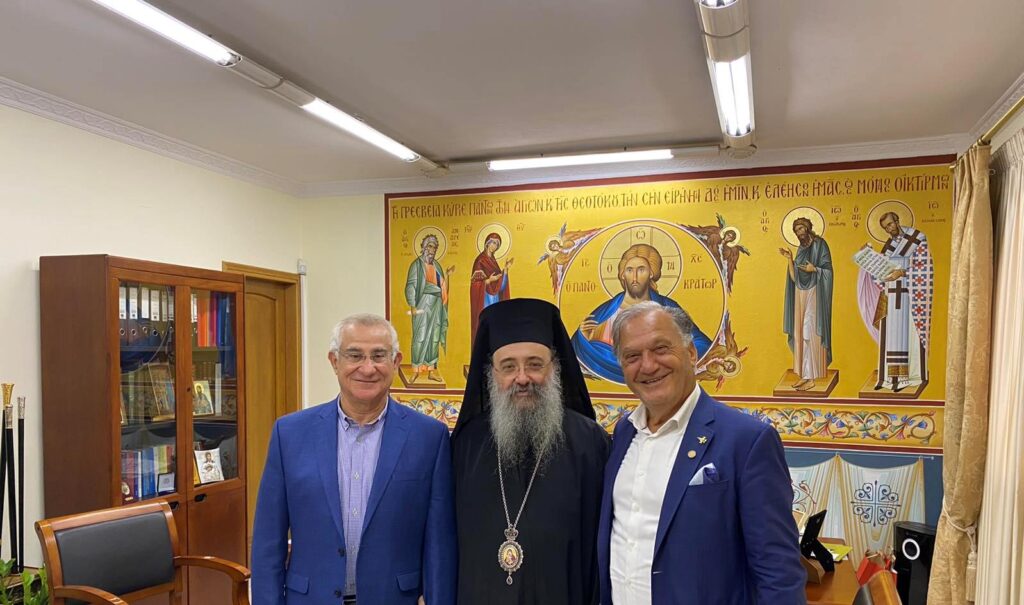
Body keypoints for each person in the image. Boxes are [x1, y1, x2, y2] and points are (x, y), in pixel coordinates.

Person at [599, 302, 806, 604]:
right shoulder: (623, 433)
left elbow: (778, 572)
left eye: (660, 349)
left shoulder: (747, 441)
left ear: (691, 353)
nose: (648, 365)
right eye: (632, 356)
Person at [251, 314, 456, 605]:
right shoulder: (290, 434)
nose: (368, 368)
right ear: (334, 361)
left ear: (396, 362)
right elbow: (267, 542)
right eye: (355, 355)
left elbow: (439, 544)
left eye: (379, 356)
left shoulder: (429, 437)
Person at [453, 298, 610, 604]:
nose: (522, 378)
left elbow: (602, 549)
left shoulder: (591, 443)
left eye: (535, 364)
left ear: (555, 368)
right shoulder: (466, 445)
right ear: (492, 373)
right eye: (508, 366)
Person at [571, 243, 712, 383]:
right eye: (629, 270)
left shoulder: (667, 307)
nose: (635, 277)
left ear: (651, 273)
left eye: (641, 270)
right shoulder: (605, 311)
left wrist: (667, 354)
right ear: (622, 275)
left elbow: (701, 344)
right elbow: (574, 351)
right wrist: (581, 339)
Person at [857, 212, 933, 392]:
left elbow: (925, 267)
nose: (889, 229)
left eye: (891, 224)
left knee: (906, 335)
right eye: (886, 228)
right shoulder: (889, 246)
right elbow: (881, 272)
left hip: (910, 296)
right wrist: (867, 256)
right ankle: (889, 378)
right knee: (890, 337)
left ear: (897, 221)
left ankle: (907, 377)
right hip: (890, 296)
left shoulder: (917, 238)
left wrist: (903, 272)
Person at [780, 217, 834, 391]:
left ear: (808, 228)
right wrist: (790, 259)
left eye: (801, 229)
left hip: (815, 294)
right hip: (800, 294)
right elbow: (795, 277)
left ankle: (812, 377)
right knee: (800, 334)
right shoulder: (801, 249)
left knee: (809, 332)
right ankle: (804, 375)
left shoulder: (820, 245)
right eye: (796, 231)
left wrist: (815, 269)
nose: (799, 233)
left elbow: (828, 271)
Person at [405, 234, 455, 382]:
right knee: (420, 336)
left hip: (437, 305)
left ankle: (431, 370)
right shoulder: (416, 265)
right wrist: (412, 304)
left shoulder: (437, 266)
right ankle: (416, 369)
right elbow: (411, 285)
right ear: (424, 247)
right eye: (430, 246)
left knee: (434, 337)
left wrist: (447, 275)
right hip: (423, 304)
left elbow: (442, 287)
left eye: (435, 247)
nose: (432, 250)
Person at [470, 232, 513, 342]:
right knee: (486, 327)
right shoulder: (480, 261)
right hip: (484, 300)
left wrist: (505, 270)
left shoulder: (494, 263)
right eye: (493, 243)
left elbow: (501, 287)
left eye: (497, 244)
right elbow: (475, 285)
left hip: (495, 300)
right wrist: (489, 281)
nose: (494, 246)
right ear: (487, 243)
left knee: (495, 327)